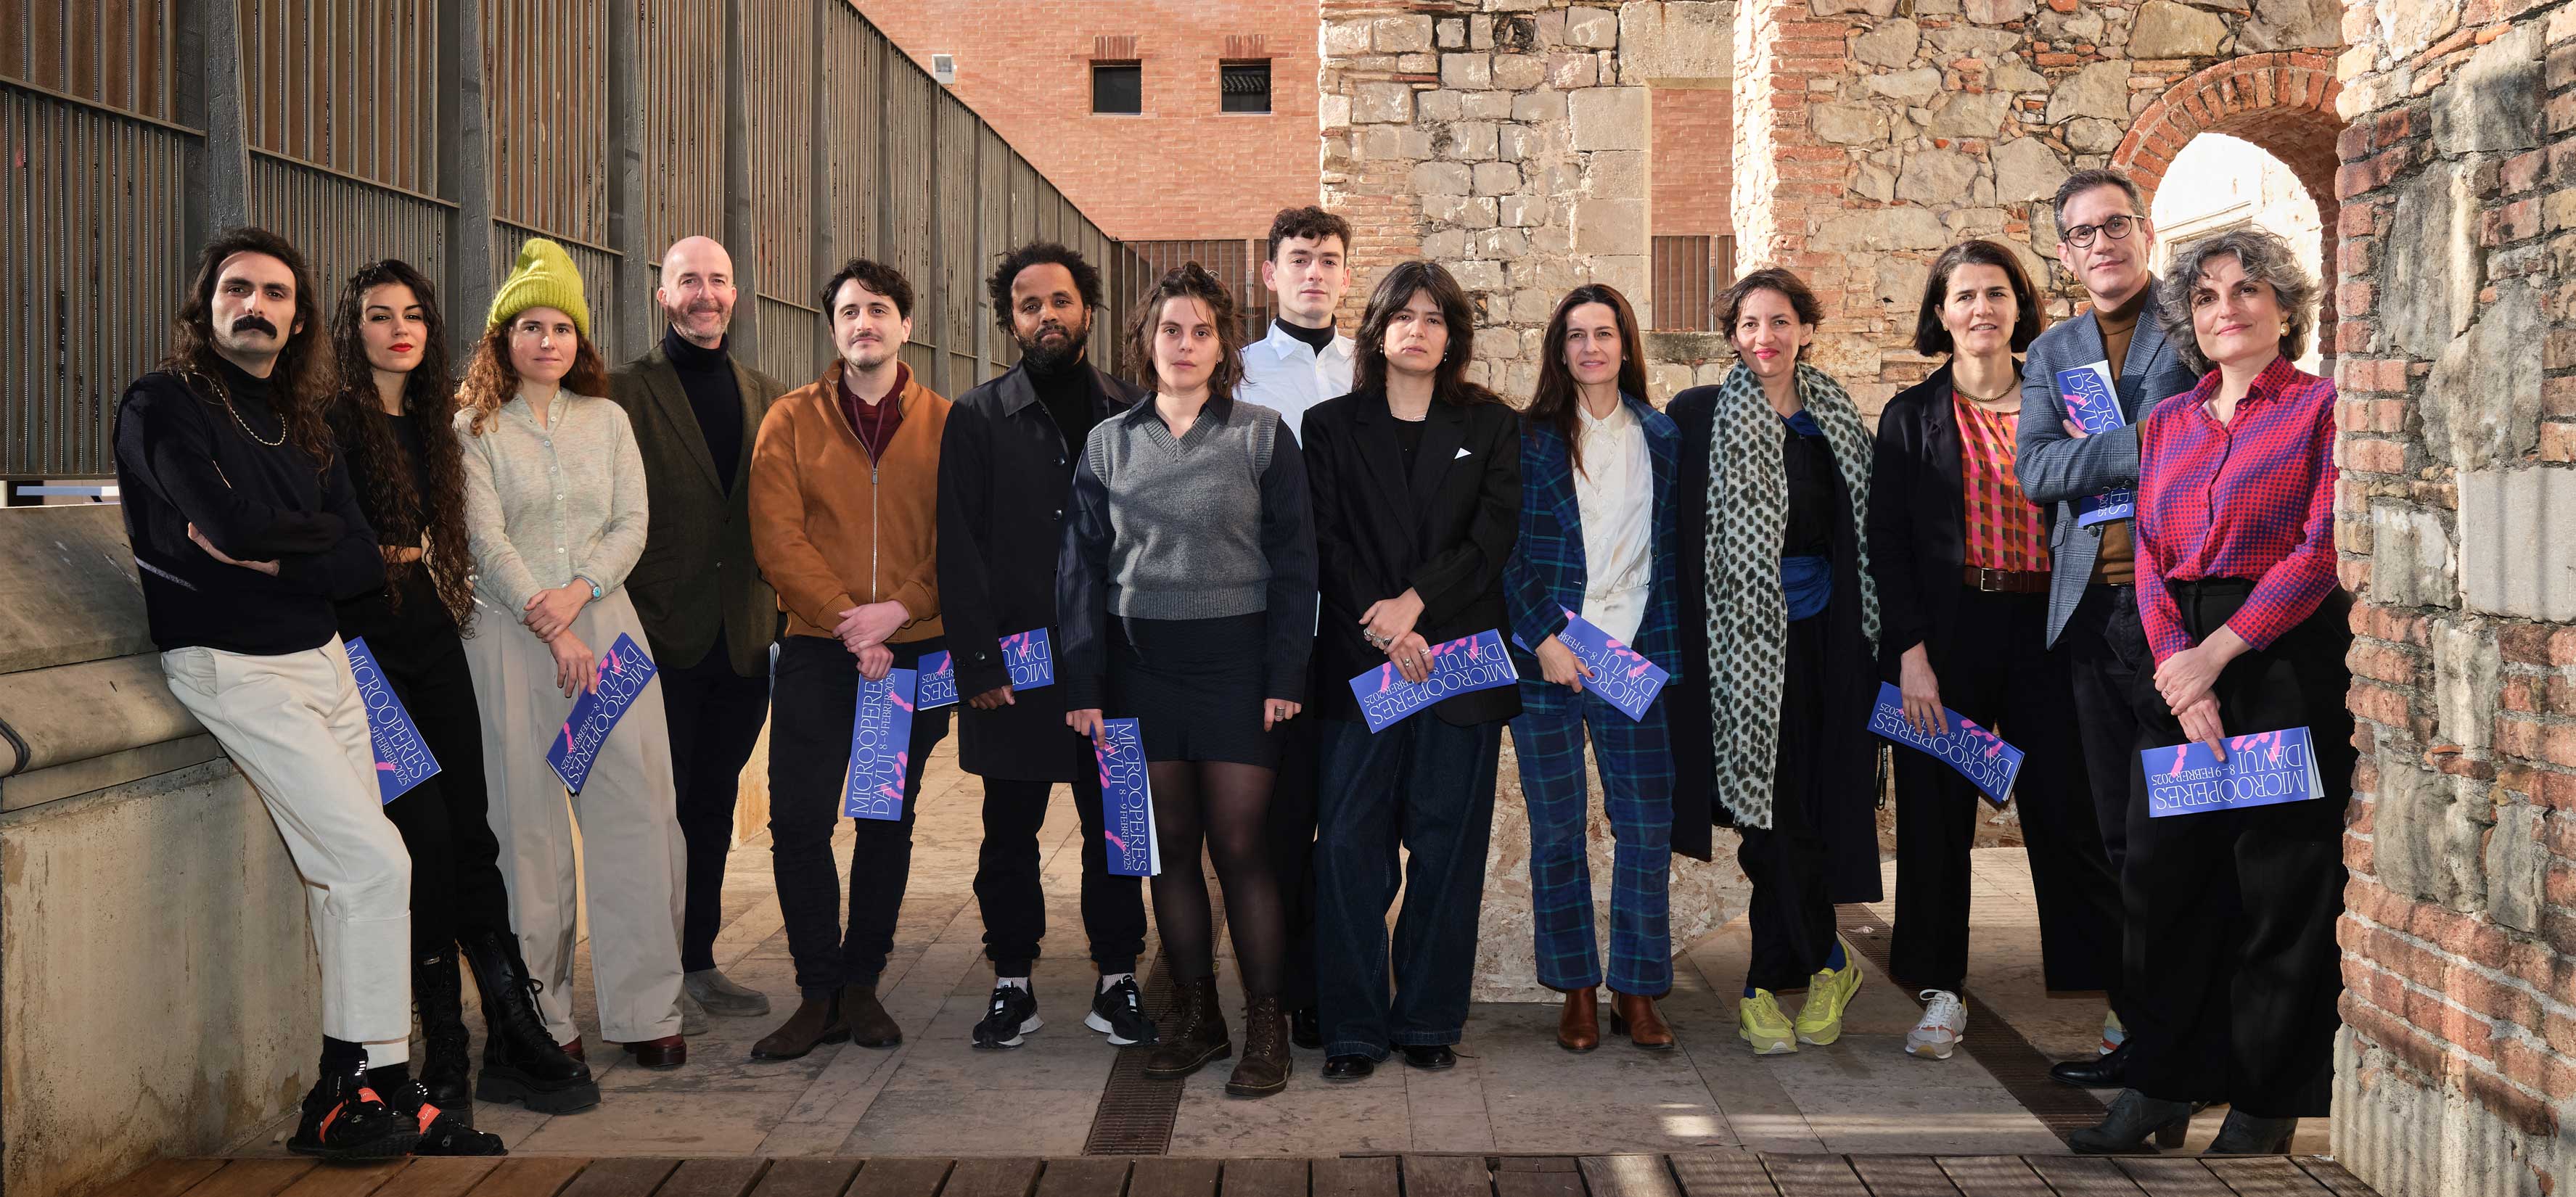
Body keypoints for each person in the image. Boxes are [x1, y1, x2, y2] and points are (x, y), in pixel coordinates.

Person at [112, 228, 427, 1159]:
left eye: (277, 294)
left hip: (328, 661)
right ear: (206, 305)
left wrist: (276, 549)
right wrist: (297, 543)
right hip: (233, 664)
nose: (257, 305)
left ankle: (352, 1087)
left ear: (297, 319)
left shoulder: (306, 419)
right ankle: (372, 1077)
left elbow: (365, 549)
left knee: (349, 879)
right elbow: (221, 522)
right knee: (375, 862)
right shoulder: (161, 402)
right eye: (238, 289)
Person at [2070, 228, 2348, 1156]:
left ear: (2284, 309)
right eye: (2206, 297)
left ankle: (2265, 1102)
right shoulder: (2169, 423)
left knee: (2276, 887)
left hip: (2272, 663)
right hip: (2173, 659)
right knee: (2162, 884)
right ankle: (2158, 1085)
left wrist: (2219, 656)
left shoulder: (2321, 411)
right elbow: (2146, 555)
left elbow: (2319, 553)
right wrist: (2180, 675)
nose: (2225, 308)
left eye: (2247, 291)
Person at [1059, 263, 1317, 1097]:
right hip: (1139, 674)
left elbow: (1295, 566)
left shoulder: (1260, 434)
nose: (1185, 344)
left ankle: (1265, 1027)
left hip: (1240, 671)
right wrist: (1084, 685)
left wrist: (1285, 673)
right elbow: (1080, 570)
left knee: (1242, 847)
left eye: (1201, 330)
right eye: (1171, 329)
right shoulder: (1107, 443)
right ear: (1145, 341)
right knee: (1167, 853)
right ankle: (1196, 1019)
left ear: (1222, 346)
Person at [1867, 242, 2122, 1062]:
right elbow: (1889, 548)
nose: (1981, 309)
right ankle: (1941, 993)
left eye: (1996, 294)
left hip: (2053, 634)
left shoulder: (2072, 403)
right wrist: (1909, 655)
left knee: (2070, 815)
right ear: (1939, 314)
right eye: (1964, 296)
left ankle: (2118, 993)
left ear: (2020, 307)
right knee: (1937, 822)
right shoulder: (1910, 417)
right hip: (1948, 639)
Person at [322, 258, 549, 1146]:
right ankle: (442, 1055)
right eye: (379, 316)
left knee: (474, 829)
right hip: (363, 647)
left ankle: (515, 1026)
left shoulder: (433, 421)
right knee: (421, 839)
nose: (399, 329)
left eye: (413, 313)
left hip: (430, 631)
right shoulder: (331, 422)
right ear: (354, 331)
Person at [456, 238, 691, 1077]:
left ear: (580, 340)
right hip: (512, 641)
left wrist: (582, 593)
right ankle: (543, 1016)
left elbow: (633, 522)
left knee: (636, 816)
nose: (546, 341)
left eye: (561, 326)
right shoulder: (472, 428)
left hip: (608, 635)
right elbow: (481, 537)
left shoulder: (609, 419)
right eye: (529, 327)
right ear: (502, 339)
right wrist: (545, 618)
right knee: (525, 830)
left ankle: (646, 1008)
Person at [1302, 260, 1520, 1079]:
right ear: (1378, 328)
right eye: (1404, 315)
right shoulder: (1328, 427)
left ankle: (1428, 1018)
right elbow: (1324, 540)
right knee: (1349, 851)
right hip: (1363, 669)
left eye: (1434, 318)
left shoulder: (1492, 424)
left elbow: (1492, 539)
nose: (1418, 330)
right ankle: (1353, 1028)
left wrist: (1416, 605)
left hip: (1456, 666)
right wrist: (1383, 620)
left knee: (1447, 849)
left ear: (1452, 335)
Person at [940, 242, 1154, 1050]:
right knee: (1007, 834)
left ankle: (1117, 978)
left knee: (1117, 828)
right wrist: (979, 663)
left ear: (1088, 312)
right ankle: (1012, 982)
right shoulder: (976, 416)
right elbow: (956, 548)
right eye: (1029, 305)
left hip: (1116, 664)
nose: (1047, 317)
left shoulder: (1133, 413)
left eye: (1060, 301)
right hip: (1015, 670)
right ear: (1010, 321)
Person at [2014, 169, 2201, 1086]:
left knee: (2181, 829)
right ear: (2064, 251)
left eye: (2115, 226)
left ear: (2145, 230)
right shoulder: (2054, 352)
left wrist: (2137, 440)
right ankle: (2135, 1034)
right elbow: (2037, 471)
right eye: (2082, 234)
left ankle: (2190, 1035)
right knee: (2118, 837)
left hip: (2180, 612)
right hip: (2091, 615)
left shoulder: (2195, 322)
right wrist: (2148, 437)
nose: (2102, 245)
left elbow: (2217, 433)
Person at [1668, 268, 1881, 1056]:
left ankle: (1778, 983)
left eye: (1781, 321)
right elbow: (1676, 539)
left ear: (1805, 329)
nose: (1766, 338)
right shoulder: (1696, 416)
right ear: (1732, 336)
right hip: (1739, 647)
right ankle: (1814, 966)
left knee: (1812, 809)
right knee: (1764, 819)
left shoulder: (1836, 420)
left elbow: (1860, 533)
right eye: (1751, 324)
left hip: (1828, 640)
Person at [748, 259, 953, 1061]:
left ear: (906, 325)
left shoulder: (948, 424)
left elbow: (959, 541)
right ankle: (817, 992)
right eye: (847, 312)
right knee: (799, 823)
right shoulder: (789, 421)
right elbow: (776, 535)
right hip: (817, 651)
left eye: (878, 310)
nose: (862, 323)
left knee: (884, 821)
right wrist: (847, 621)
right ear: (831, 329)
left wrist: (897, 612)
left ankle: (863, 985)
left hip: (908, 657)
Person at [607, 236, 785, 1033]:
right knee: (652, 812)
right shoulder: (619, 394)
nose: (704, 294)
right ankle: (647, 969)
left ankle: (698, 961)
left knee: (710, 806)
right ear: (662, 294)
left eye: (717, 280)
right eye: (688, 281)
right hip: (654, 639)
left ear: (736, 295)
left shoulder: (768, 395)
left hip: (742, 642)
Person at [1502, 284, 1686, 1053]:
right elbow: (1501, 548)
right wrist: (1542, 635)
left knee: (1644, 832)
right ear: (1560, 350)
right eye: (1575, 335)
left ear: (1624, 344)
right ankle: (1575, 987)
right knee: (1556, 834)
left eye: (1603, 333)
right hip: (1548, 660)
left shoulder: (1665, 436)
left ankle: (1636, 993)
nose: (1590, 348)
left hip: (1635, 656)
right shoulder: (1527, 438)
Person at [1234, 205, 1358, 1048]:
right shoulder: (1233, 374)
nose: (1313, 272)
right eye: (1298, 258)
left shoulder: (1373, 369)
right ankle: (1269, 994)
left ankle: (1325, 983)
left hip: (1355, 637)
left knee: (1345, 822)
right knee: (1272, 826)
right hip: (1266, 637)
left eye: (1328, 259)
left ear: (1347, 276)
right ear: (1269, 274)